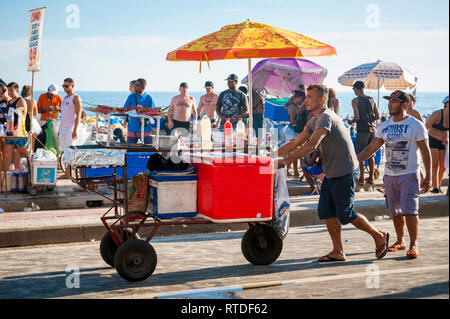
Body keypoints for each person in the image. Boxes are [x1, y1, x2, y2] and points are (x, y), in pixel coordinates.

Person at [278, 84, 389, 262]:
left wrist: (287, 161)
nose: (306, 100)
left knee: (346, 213)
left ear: (321, 100)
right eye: (306, 96)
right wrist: (270, 157)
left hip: (345, 171)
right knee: (327, 211)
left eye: (310, 97)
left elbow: (311, 145)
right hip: (332, 173)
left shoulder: (326, 117)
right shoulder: (315, 119)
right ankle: (338, 251)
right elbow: (296, 142)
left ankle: (378, 236)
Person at [358, 90, 432, 259]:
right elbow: (371, 148)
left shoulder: (416, 125)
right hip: (390, 175)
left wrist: (429, 176)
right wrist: (355, 161)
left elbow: (425, 151)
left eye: (394, 101)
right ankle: (400, 240)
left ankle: (414, 243)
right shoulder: (384, 126)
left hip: (410, 173)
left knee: (410, 210)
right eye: (389, 101)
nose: (390, 104)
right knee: (395, 211)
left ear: (404, 104)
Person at [347, 81, 379, 192]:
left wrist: (351, 121)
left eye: (354, 89)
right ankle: (371, 178)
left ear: (356, 89)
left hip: (363, 130)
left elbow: (357, 117)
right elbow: (378, 115)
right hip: (373, 130)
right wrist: (370, 121)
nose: (354, 91)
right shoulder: (372, 99)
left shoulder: (355, 101)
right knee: (371, 155)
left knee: (360, 155)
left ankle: (361, 179)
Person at [58, 78, 82, 179]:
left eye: (67, 86)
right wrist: (59, 129)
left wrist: (75, 129)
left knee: (70, 150)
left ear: (72, 86)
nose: (65, 88)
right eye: (63, 86)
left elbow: (78, 114)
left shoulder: (75, 97)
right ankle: (67, 172)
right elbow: (63, 115)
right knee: (64, 150)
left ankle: (69, 173)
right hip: (63, 127)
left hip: (71, 128)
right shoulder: (64, 98)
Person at [425, 96, 449, 193]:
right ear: (446, 104)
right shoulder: (437, 114)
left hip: (443, 141)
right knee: (435, 165)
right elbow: (425, 127)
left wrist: (448, 138)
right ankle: (434, 187)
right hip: (432, 139)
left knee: (443, 167)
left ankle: (438, 185)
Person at [3, 82, 28, 173]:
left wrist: (16, 130)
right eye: (8, 90)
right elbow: (8, 117)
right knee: (7, 155)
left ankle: (30, 167)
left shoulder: (21, 101)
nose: (9, 92)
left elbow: (23, 119)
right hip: (10, 132)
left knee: (24, 154)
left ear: (17, 90)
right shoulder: (9, 102)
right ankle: (4, 178)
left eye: (11, 90)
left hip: (19, 133)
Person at [123, 78, 155, 144]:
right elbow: (125, 109)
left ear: (143, 87)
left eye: (136, 85)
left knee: (147, 149)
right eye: (134, 84)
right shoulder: (131, 96)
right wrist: (125, 120)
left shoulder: (148, 98)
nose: (134, 86)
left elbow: (153, 112)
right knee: (130, 150)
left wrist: (143, 110)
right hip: (132, 127)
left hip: (146, 128)